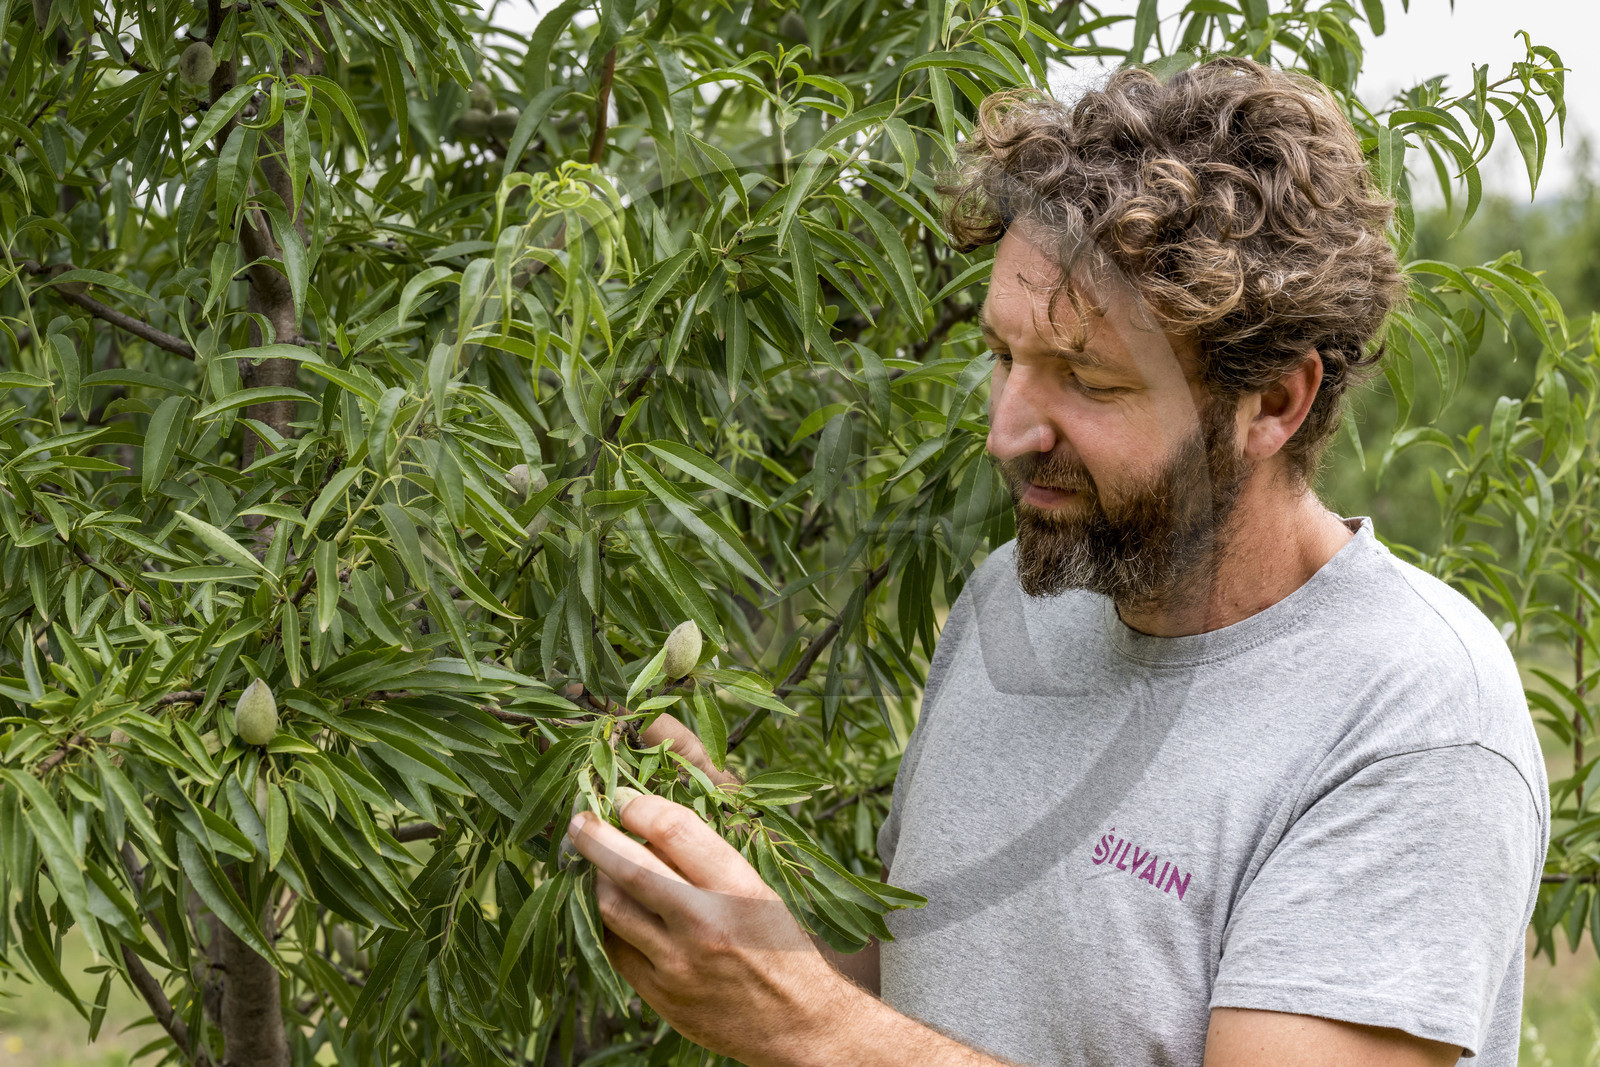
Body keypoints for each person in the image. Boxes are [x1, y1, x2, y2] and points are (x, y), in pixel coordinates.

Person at [568, 56, 1549, 1066]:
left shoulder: (1410, 723)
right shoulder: (1024, 597)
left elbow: (847, 1039)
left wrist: (806, 1025)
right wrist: (743, 925)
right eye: (1003, 355)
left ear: (1273, 404)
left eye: (1083, 375)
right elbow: (923, 998)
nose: (1006, 428)